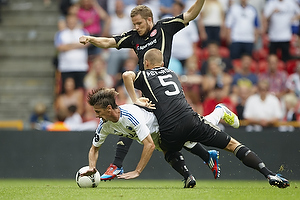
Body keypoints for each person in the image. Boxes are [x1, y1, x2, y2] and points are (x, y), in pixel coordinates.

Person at [122, 48, 290, 188]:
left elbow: (126, 75)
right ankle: (270, 174)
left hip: (170, 128)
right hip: (191, 120)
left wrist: (135, 99)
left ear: (146, 63)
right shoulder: (173, 73)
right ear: (163, 64)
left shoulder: (144, 75)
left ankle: (189, 173)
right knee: (232, 145)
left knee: (167, 148)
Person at [79, 0, 207, 181]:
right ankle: (200, 162)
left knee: (157, 131)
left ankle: (117, 165)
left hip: (162, 90)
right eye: (134, 24)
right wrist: (91, 38)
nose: (136, 27)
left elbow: (190, 15)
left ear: (149, 20)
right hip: (146, 91)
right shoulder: (133, 37)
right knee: (163, 137)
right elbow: (109, 41)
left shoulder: (164, 28)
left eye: (139, 23)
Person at [81, 87, 239, 188]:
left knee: (198, 129)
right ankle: (196, 169)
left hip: (164, 123)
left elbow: (148, 145)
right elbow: (94, 148)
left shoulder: (130, 116)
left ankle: (219, 111)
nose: (96, 115)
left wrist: (137, 171)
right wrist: (91, 167)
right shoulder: (104, 124)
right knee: (169, 151)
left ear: (109, 108)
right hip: (154, 134)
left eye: (98, 112)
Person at [54, 14, 90, 93]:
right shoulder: (61, 33)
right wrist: (77, 45)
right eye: (70, 21)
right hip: (66, 67)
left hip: (81, 67)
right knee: (66, 90)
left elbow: (87, 43)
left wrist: (68, 45)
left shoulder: (83, 32)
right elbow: (60, 47)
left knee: (81, 90)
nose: (71, 23)